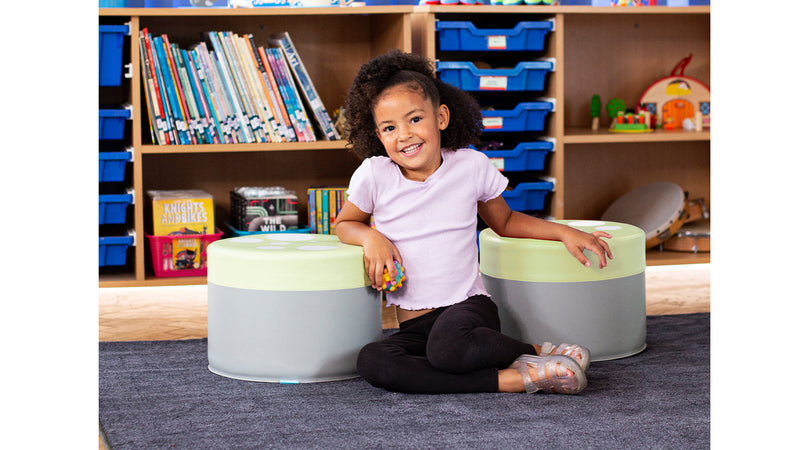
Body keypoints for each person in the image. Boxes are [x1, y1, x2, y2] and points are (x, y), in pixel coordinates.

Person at [335, 50, 613, 395]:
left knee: (449, 348)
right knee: (373, 361)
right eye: (389, 128)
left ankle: (536, 353)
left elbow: (506, 221)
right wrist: (371, 238)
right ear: (378, 135)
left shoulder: (470, 165)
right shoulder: (375, 175)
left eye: (415, 120)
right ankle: (515, 376)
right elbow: (345, 223)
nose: (404, 135)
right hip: (413, 325)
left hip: (468, 310)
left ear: (441, 117)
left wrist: (563, 232)